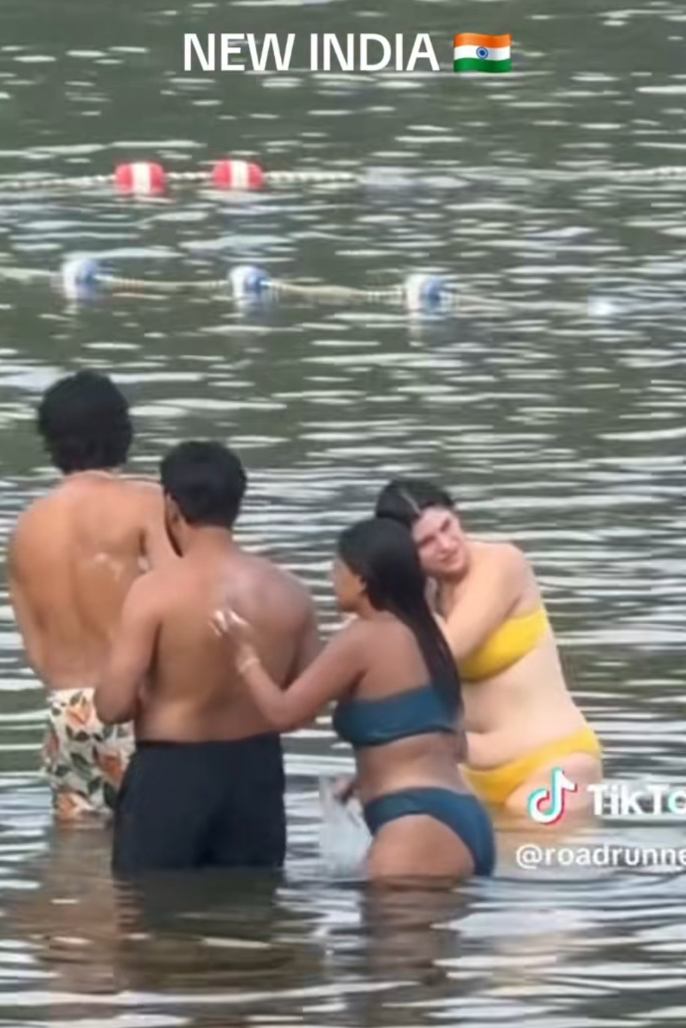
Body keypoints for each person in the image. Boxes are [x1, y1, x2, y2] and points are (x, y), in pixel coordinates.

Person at [213, 517, 495, 881]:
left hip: (416, 826)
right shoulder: (428, 635)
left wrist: (244, 656)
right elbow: (448, 743)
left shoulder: (363, 637)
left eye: (337, 569)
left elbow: (282, 713)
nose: (333, 578)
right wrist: (366, 777)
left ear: (361, 580)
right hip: (465, 816)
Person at [95, 440, 320, 875]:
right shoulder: (291, 592)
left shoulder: (154, 592)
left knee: (155, 905)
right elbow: (306, 707)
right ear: (238, 503)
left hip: (171, 773)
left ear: (171, 506)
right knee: (251, 907)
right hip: (256, 775)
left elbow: (113, 706)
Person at [374, 479, 603, 815]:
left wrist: (407, 602)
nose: (446, 545)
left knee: (527, 825)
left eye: (447, 527)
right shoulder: (425, 595)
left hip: (556, 760)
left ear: (457, 516)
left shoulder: (502, 563)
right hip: (468, 772)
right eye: (426, 542)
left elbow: (447, 651)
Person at [8, 370, 174, 822]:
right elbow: (183, 598)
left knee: (79, 848)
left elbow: (36, 649)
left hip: (68, 709)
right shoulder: (148, 503)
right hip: (140, 705)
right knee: (154, 842)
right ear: (122, 431)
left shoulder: (28, 527)